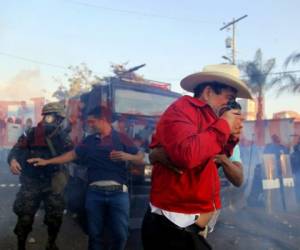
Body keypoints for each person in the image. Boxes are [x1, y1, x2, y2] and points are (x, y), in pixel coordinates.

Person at [141, 64, 252, 250]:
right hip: (173, 225)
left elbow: (213, 160)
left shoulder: (212, 120)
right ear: (208, 92)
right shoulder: (181, 110)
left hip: (191, 224)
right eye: (228, 98)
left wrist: (231, 136)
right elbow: (188, 155)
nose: (230, 105)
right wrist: (224, 125)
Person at [28, 106, 144, 250]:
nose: (89, 124)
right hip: (94, 193)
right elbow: (71, 155)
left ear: (103, 120)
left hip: (118, 194)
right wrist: (47, 161)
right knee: (94, 234)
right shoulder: (89, 140)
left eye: (92, 121)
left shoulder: (121, 137)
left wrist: (128, 156)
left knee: (120, 234)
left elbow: (141, 158)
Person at [7, 102, 73, 250]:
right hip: (32, 181)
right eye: (55, 118)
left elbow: (72, 154)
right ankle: (21, 245)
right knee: (25, 215)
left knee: (55, 216)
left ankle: (51, 243)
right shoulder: (30, 133)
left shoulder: (63, 137)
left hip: (53, 181)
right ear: (48, 117)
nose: (57, 121)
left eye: (59, 119)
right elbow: (15, 150)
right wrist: (12, 161)